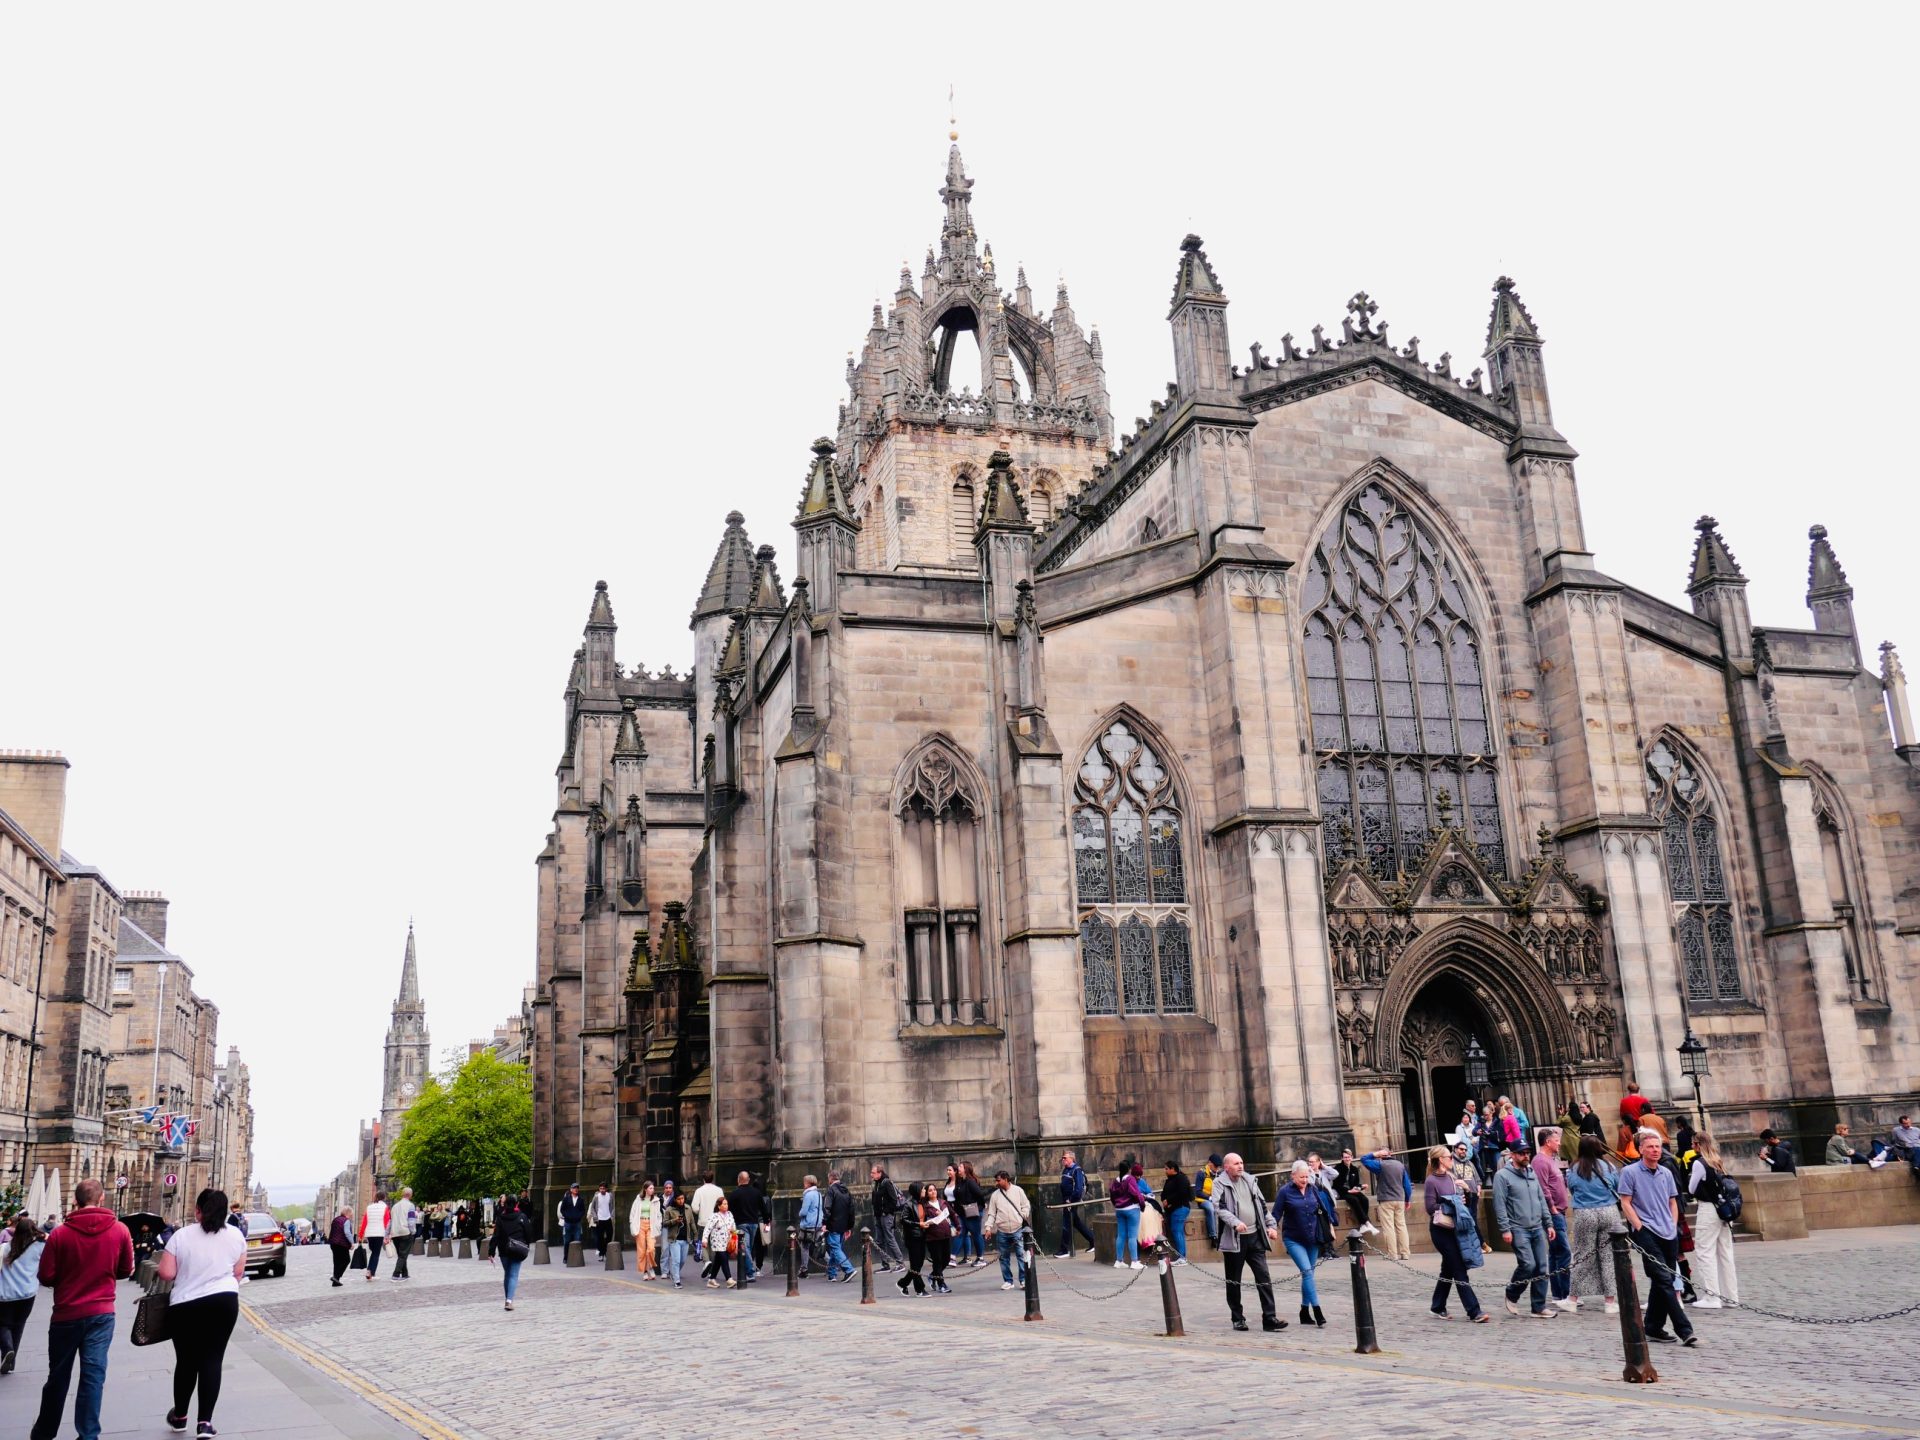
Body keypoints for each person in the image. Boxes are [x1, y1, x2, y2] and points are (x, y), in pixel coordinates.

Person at [28, 1178, 133, 1440]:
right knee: (93, 1376)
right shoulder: (120, 1231)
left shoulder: (60, 1234)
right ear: (101, 1199)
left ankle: (44, 1432)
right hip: (101, 1314)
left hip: (66, 1314)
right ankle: (88, 1435)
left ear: (75, 1200)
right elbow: (125, 1270)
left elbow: (46, 1276)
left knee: (58, 1376)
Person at [156, 1187, 247, 1437]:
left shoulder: (181, 1236)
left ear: (198, 1211)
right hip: (224, 1301)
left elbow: (167, 1273)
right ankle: (204, 1423)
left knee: (186, 1361)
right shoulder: (236, 1235)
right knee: (212, 1359)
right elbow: (239, 1272)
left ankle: (180, 1416)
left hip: (186, 1304)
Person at [1616, 1130, 1697, 1346]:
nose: (1655, 1150)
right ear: (1641, 1149)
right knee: (1662, 1278)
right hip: (1647, 1231)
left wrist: (1672, 1223)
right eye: (1650, 1147)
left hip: (1668, 1231)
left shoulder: (1666, 1173)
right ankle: (1685, 1330)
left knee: (1664, 1280)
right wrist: (1639, 1227)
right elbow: (1626, 1201)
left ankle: (1652, 1326)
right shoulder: (1630, 1172)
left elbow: (1673, 1200)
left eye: (1658, 1146)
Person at [1213, 1152, 1285, 1332]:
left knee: (1264, 1277)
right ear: (1227, 1167)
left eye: (1241, 1162)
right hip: (1235, 1239)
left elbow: (1261, 1206)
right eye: (1236, 1163)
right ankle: (1237, 1318)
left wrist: (1271, 1226)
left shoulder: (1250, 1180)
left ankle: (1269, 1318)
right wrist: (1235, 1222)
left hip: (1255, 1237)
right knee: (1234, 1280)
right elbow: (1219, 1208)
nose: (1240, 1166)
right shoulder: (1219, 1183)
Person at [1422, 1145, 1487, 1322]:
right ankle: (1474, 1311)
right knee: (1458, 1268)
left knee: (1448, 1269)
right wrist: (1452, 1203)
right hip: (1440, 1230)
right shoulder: (1431, 1181)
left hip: (1455, 1228)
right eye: (1448, 1156)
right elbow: (1430, 1207)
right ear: (1440, 1160)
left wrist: (1465, 1191)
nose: (1451, 1159)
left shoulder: (1451, 1177)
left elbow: (1465, 1202)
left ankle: (1437, 1306)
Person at [1491, 1143, 1555, 1319]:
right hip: (1518, 1228)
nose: (1526, 1156)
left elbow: (1540, 1199)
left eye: (1528, 1153)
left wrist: (1548, 1223)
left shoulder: (1531, 1173)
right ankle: (1512, 1293)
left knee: (1542, 1267)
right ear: (1512, 1154)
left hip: (1536, 1226)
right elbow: (1500, 1205)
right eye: (1521, 1153)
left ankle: (1538, 1306)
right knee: (1528, 1265)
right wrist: (1505, 1229)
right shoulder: (1502, 1176)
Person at [1566, 1134, 1623, 1315]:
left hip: (1585, 1212)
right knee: (1608, 1257)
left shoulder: (1574, 1168)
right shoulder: (1609, 1166)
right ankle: (1610, 1302)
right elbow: (1617, 1185)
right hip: (1609, 1211)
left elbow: (1572, 1188)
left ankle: (1573, 1299)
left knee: (1583, 1255)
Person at [1686, 1131, 1739, 1310]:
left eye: (1693, 1144)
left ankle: (1712, 1297)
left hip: (1709, 1209)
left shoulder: (1700, 1163)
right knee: (1725, 1252)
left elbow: (1692, 1188)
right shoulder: (1718, 1161)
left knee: (1704, 1251)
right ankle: (1731, 1296)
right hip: (1724, 1210)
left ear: (1698, 1145)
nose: (1692, 1147)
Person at [1276, 1160, 1330, 1328]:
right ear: (1293, 1176)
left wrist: (1330, 1228)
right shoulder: (1285, 1192)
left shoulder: (1313, 1189)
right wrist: (1271, 1229)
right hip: (1293, 1238)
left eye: (1307, 1176)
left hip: (1313, 1238)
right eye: (1301, 1177)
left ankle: (1304, 1312)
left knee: (1309, 1275)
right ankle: (1317, 1311)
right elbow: (1275, 1213)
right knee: (1307, 1272)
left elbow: (1323, 1209)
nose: (1305, 1180)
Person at [1533, 1127, 1575, 1310]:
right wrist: (1552, 1209)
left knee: (1556, 1252)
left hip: (1559, 1210)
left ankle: (1559, 1293)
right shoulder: (1540, 1161)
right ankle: (1565, 1293)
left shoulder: (1551, 1160)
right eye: (1557, 1141)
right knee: (1564, 1252)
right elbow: (1543, 1188)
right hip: (1554, 1212)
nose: (1559, 1143)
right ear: (1548, 1142)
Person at [0, 1213, 46, 1375]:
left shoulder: (5, 1248)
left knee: (3, 1324)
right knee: (18, 1327)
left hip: (5, 1295)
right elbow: (53, 1240)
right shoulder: (39, 1247)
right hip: (27, 1295)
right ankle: (11, 1363)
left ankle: (7, 1350)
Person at [1360, 1147, 1412, 1260]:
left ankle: (1392, 1254)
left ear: (1381, 1155)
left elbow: (1363, 1159)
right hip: (1400, 1199)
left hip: (1386, 1199)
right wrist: (1407, 1199)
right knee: (1401, 1226)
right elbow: (1407, 1185)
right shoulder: (1400, 1165)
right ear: (1391, 1153)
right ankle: (1405, 1253)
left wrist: (1375, 1154)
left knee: (1389, 1227)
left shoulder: (1380, 1165)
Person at [985, 1171, 1032, 1289]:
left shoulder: (1018, 1190)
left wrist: (1023, 1214)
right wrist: (988, 1227)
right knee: (1003, 1257)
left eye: (998, 1180)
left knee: (1021, 1255)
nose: (997, 1183)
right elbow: (991, 1213)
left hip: (1018, 1229)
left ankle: (1023, 1280)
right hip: (1002, 1230)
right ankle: (1008, 1281)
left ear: (1006, 1179)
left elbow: (1026, 1205)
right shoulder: (995, 1195)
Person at [487, 1196, 535, 1311]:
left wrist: (491, 1251)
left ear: (505, 1204)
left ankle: (507, 1298)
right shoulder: (522, 1217)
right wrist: (526, 1244)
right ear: (516, 1204)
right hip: (517, 1249)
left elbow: (495, 1236)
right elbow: (528, 1233)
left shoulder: (500, 1218)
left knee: (507, 1274)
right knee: (513, 1275)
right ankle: (509, 1300)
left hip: (503, 1250)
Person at [1055, 1150, 1097, 1258]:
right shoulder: (1066, 1170)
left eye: (1065, 1158)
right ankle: (1093, 1240)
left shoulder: (1076, 1170)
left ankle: (1064, 1250)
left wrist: (1071, 1199)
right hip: (1066, 1200)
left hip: (1071, 1201)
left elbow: (1078, 1189)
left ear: (1071, 1159)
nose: (1063, 1160)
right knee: (1076, 1222)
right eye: (1063, 1158)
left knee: (1066, 1223)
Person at [728, 1172, 766, 1284]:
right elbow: (763, 1207)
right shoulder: (756, 1193)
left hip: (741, 1224)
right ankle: (748, 1270)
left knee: (745, 1247)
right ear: (748, 1180)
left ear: (738, 1180)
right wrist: (767, 1220)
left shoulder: (735, 1194)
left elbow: (730, 1210)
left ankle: (750, 1272)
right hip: (754, 1224)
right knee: (748, 1247)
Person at [1107, 1162, 1145, 1270]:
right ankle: (1134, 1261)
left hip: (1119, 1210)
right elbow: (1136, 1194)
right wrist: (1142, 1205)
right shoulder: (1130, 1179)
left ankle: (1119, 1260)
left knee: (1121, 1236)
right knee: (1132, 1236)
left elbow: (1112, 1195)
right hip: (1132, 1209)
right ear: (1129, 1169)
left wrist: (1117, 1205)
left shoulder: (1115, 1180)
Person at [868, 1165, 904, 1272]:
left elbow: (893, 1200)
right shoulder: (877, 1184)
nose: (871, 1175)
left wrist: (885, 1211)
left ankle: (900, 1262)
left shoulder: (886, 1183)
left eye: (873, 1173)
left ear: (880, 1173)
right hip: (878, 1215)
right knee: (879, 1240)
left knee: (889, 1238)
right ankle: (885, 1264)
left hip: (886, 1216)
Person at [1333, 1149, 1376, 1237]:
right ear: (1342, 1158)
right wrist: (1348, 1191)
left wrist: (1361, 1186)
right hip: (1342, 1191)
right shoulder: (1337, 1168)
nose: (1347, 1159)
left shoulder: (1354, 1169)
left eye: (1349, 1157)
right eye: (1345, 1157)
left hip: (1353, 1190)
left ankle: (1363, 1224)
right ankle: (1367, 1223)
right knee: (1354, 1200)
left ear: (1352, 1157)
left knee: (1364, 1199)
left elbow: (1355, 1184)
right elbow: (1336, 1185)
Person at [896, 1183, 929, 1296]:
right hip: (913, 1237)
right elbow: (904, 1220)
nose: (925, 1190)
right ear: (917, 1190)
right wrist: (918, 1224)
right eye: (923, 1189)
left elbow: (925, 1217)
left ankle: (902, 1283)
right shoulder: (908, 1204)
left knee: (918, 1264)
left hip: (922, 1236)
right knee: (915, 1264)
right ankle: (920, 1289)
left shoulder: (923, 1203)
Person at [824, 1172, 857, 1283]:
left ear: (830, 1179)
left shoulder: (831, 1190)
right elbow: (851, 1210)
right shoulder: (846, 1190)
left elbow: (827, 1208)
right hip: (843, 1225)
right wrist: (849, 1227)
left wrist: (824, 1223)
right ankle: (832, 1274)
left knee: (835, 1248)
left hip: (833, 1225)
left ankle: (849, 1269)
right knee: (836, 1249)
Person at [921, 1183, 954, 1294]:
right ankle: (941, 1284)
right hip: (933, 1236)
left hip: (945, 1234)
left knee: (946, 1259)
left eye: (934, 1189)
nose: (933, 1192)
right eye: (930, 1190)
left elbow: (952, 1214)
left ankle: (933, 1275)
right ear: (927, 1193)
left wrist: (958, 1226)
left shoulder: (943, 1202)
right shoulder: (925, 1206)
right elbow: (924, 1219)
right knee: (937, 1260)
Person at [953, 1162, 987, 1266]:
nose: (958, 1168)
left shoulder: (970, 1181)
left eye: (960, 1167)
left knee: (976, 1234)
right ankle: (952, 1256)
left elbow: (980, 1194)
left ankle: (980, 1258)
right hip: (963, 1212)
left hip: (972, 1211)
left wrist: (979, 1206)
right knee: (962, 1233)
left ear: (966, 1169)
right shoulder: (960, 1181)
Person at [1160, 1162, 1194, 1261]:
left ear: (1173, 1169)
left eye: (1166, 1169)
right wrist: (1165, 1201)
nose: (1165, 1171)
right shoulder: (1169, 1180)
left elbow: (1182, 1193)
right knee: (1177, 1231)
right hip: (1172, 1209)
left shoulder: (1181, 1178)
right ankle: (1181, 1256)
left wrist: (1169, 1201)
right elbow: (1163, 1194)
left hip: (1180, 1208)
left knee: (1177, 1231)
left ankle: (1182, 1257)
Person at [700, 1198, 737, 1289]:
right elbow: (707, 1228)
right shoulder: (714, 1216)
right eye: (724, 1204)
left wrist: (735, 1237)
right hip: (717, 1241)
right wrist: (704, 1240)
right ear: (719, 1206)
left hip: (727, 1242)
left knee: (718, 1261)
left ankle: (711, 1279)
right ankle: (729, 1279)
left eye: (727, 1204)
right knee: (724, 1259)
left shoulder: (730, 1214)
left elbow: (734, 1227)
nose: (726, 1206)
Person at [660, 1186, 690, 1287]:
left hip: (685, 1239)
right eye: (679, 1199)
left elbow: (692, 1223)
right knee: (676, 1260)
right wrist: (675, 1220)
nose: (681, 1201)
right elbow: (664, 1223)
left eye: (682, 1198)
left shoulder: (687, 1208)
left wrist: (694, 1236)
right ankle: (677, 1281)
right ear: (675, 1199)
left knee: (682, 1260)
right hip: (674, 1239)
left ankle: (673, 1273)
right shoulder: (669, 1209)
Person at [630, 1182, 661, 1280]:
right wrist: (633, 1225)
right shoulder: (638, 1199)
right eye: (651, 1188)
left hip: (651, 1225)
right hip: (640, 1224)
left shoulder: (656, 1200)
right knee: (641, 1250)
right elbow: (633, 1213)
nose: (653, 1190)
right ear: (645, 1189)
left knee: (651, 1249)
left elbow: (659, 1215)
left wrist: (658, 1225)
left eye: (653, 1188)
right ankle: (645, 1271)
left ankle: (650, 1266)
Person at [689, 1173, 724, 1261]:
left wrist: (699, 1212)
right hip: (716, 1221)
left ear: (703, 1179)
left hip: (703, 1221)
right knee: (713, 1244)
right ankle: (711, 1268)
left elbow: (694, 1207)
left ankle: (707, 1262)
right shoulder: (719, 1190)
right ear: (713, 1179)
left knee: (703, 1242)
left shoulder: (699, 1191)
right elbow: (723, 1205)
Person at [795, 1175, 824, 1278]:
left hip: (808, 1225)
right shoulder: (819, 1194)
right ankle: (831, 1266)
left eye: (804, 1182)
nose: (803, 1184)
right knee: (819, 1246)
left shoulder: (808, 1195)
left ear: (808, 1183)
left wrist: (799, 1213)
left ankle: (804, 1270)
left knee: (805, 1247)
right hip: (818, 1224)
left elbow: (804, 1212)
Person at [389, 1187, 420, 1280]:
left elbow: (390, 1221)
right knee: (403, 1255)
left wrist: (388, 1233)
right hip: (405, 1232)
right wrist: (413, 1231)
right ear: (410, 1195)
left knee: (401, 1255)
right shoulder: (410, 1206)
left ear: (402, 1194)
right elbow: (411, 1221)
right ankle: (396, 1274)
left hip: (395, 1233)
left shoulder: (394, 1206)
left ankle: (405, 1273)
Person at [358, 1192, 390, 1281]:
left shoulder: (369, 1207)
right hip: (379, 1233)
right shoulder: (385, 1207)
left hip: (370, 1234)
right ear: (384, 1198)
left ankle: (370, 1270)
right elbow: (387, 1222)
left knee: (373, 1252)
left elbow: (364, 1222)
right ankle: (371, 1272)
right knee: (376, 1254)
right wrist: (387, 1235)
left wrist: (361, 1234)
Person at [1195, 1155, 1223, 1248]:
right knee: (1211, 1209)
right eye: (1216, 1166)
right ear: (1209, 1163)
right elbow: (1198, 1191)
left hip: (1216, 1199)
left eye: (1219, 1166)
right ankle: (1213, 1236)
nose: (1217, 1168)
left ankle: (1221, 1235)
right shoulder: (1201, 1173)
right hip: (1203, 1200)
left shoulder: (1219, 1173)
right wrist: (1210, 1198)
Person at [326, 1205, 354, 1286]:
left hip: (333, 1243)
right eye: (351, 1214)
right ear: (348, 1213)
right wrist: (352, 1242)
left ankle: (335, 1281)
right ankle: (337, 1276)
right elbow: (347, 1233)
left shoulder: (336, 1219)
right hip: (342, 1244)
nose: (351, 1216)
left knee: (337, 1262)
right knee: (346, 1260)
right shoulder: (346, 1221)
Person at [557, 1183, 586, 1252]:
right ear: (571, 1190)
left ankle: (577, 1257)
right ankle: (566, 1257)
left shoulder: (580, 1199)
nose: (576, 1189)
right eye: (574, 1188)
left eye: (577, 1188)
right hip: (568, 1223)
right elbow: (562, 1209)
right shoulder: (566, 1199)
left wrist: (579, 1216)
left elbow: (583, 1210)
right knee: (567, 1241)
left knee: (577, 1240)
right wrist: (567, 1216)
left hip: (577, 1222)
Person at [590, 1183, 615, 1255]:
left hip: (608, 1218)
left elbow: (612, 1206)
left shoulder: (610, 1195)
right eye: (600, 1188)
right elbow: (592, 1208)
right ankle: (602, 1252)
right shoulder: (596, 1197)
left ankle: (606, 1250)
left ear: (606, 1189)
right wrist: (595, 1217)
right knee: (600, 1237)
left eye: (603, 1188)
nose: (602, 1190)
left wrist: (612, 1216)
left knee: (609, 1235)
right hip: (599, 1219)